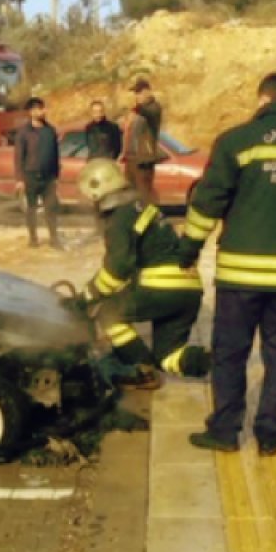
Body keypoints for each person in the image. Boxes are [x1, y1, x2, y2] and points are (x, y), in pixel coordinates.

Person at [180, 72, 276, 456]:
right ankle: (270, 436)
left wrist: (189, 249)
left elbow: (209, 201)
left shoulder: (238, 141)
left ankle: (225, 432)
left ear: (263, 100)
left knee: (230, 352)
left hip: (240, 275)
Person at [73, 159, 210, 389]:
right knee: (168, 358)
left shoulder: (119, 218)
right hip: (189, 288)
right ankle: (221, 361)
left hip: (162, 287)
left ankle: (143, 370)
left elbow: (118, 267)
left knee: (108, 315)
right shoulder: (139, 206)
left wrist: (87, 296)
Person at [14, 97, 62, 249]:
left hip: (48, 177)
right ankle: (33, 238)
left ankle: (54, 238)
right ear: (31, 112)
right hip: (31, 175)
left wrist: (56, 176)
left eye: (42, 108)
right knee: (31, 209)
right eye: (37, 109)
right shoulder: (24, 133)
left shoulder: (50, 131)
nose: (41, 111)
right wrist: (20, 179)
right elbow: (18, 156)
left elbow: (55, 154)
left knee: (51, 208)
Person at [122, 79, 166, 204]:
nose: (137, 96)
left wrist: (136, 108)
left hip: (143, 159)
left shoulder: (153, 108)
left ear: (147, 92)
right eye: (136, 93)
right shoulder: (136, 111)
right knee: (131, 196)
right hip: (131, 159)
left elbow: (146, 112)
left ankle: (149, 221)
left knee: (145, 195)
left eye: (139, 92)